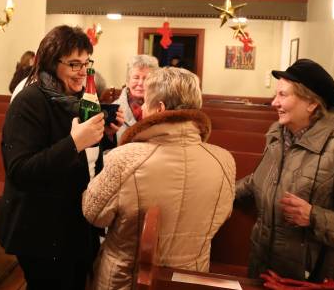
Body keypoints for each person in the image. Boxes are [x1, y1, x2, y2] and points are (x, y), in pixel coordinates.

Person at [236, 59, 334, 289]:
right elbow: (257, 182)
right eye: (276, 94)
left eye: (283, 95)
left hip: (316, 279)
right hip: (266, 271)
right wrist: (218, 191)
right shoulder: (278, 137)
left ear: (312, 104)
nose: (274, 102)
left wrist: (314, 217)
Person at [82, 67, 235, 290]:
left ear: (160, 108)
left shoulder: (126, 158)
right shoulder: (224, 160)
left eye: (146, 101)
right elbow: (222, 215)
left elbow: (94, 213)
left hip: (126, 279)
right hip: (188, 278)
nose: (142, 107)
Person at [0, 25, 124, 290]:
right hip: (41, 227)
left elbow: (87, 158)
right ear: (51, 62)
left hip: (74, 222)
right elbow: (20, 170)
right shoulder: (28, 102)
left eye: (86, 63)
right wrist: (75, 142)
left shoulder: (77, 99)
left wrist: (106, 136)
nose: (83, 71)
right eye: (74, 64)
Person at [113, 54, 159, 142]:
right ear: (127, 81)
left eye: (146, 78)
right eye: (136, 78)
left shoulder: (161, 109)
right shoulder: (114, 108)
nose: (140, 83)